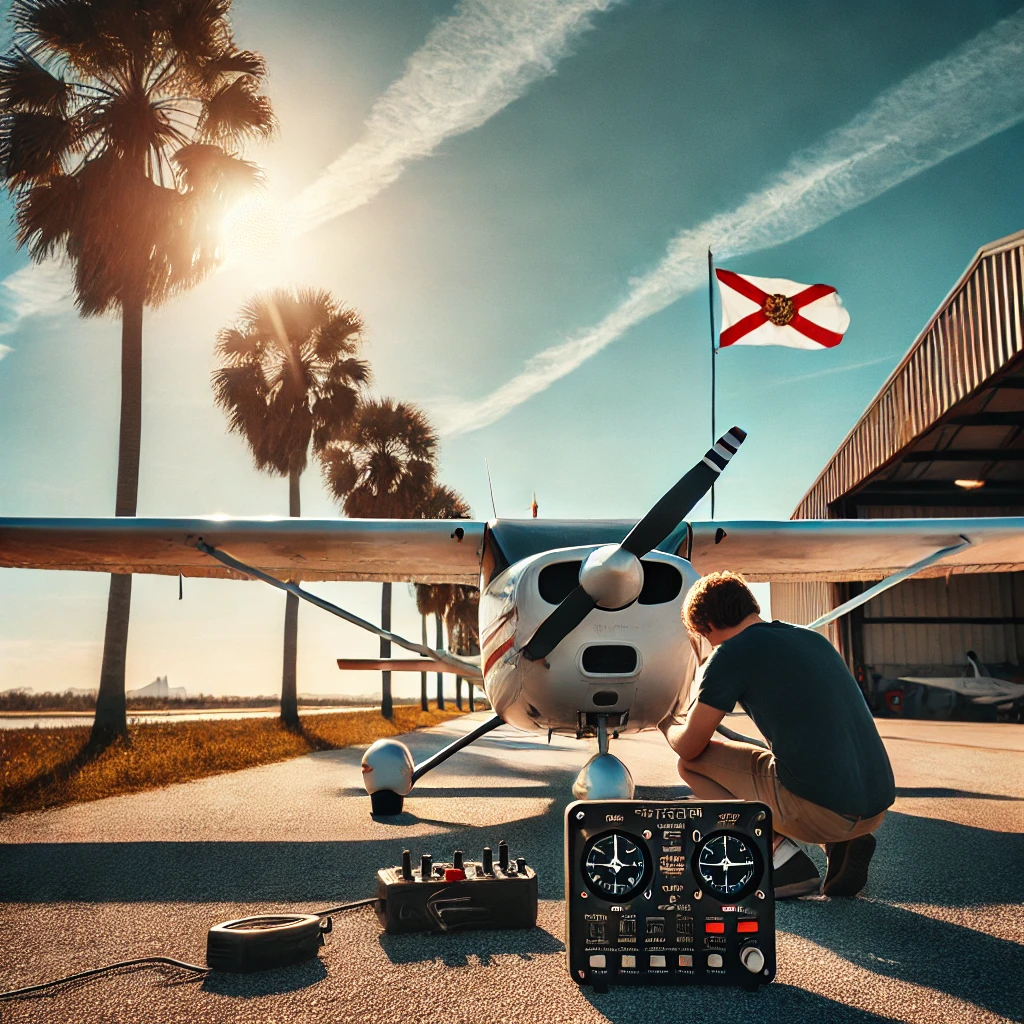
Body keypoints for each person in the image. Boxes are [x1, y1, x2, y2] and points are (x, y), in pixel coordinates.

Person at [660, 571, 894, 898]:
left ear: (707, 626)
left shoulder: (730, 653)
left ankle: (782, 858)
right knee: (780, 755)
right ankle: (843, 842)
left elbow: (690, 745)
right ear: (750, 605)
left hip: (827, 813)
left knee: (690, 765)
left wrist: (666, 719)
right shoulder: (811, 638)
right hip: (874, 807)